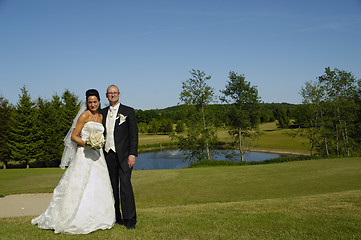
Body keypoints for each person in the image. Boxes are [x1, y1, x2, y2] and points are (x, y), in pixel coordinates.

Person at [31, 89, 115, 234]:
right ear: (87, 103)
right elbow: (73, 136)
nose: (92, 104)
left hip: (98, 156)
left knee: (98, 185)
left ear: (99, 101)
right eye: (90, 102)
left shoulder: (101, 116)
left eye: (95, 102)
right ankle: (76, 217)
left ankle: (99, 218)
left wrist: (98, 143)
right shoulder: (84, 115)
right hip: (85, 154)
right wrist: (87, 143)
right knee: (80, 184)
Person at [101, 85, 138, 230]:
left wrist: (132, 154)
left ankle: (130, 220)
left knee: (125, 186)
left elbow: (133, 135)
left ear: (119, 94)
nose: (112, 95)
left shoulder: (128, 112)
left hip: (124, 156)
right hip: (107, 155)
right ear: (106, 95)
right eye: (110, 93)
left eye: (115, 93)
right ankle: (115, 216)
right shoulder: (102, 113)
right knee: (111, 187)